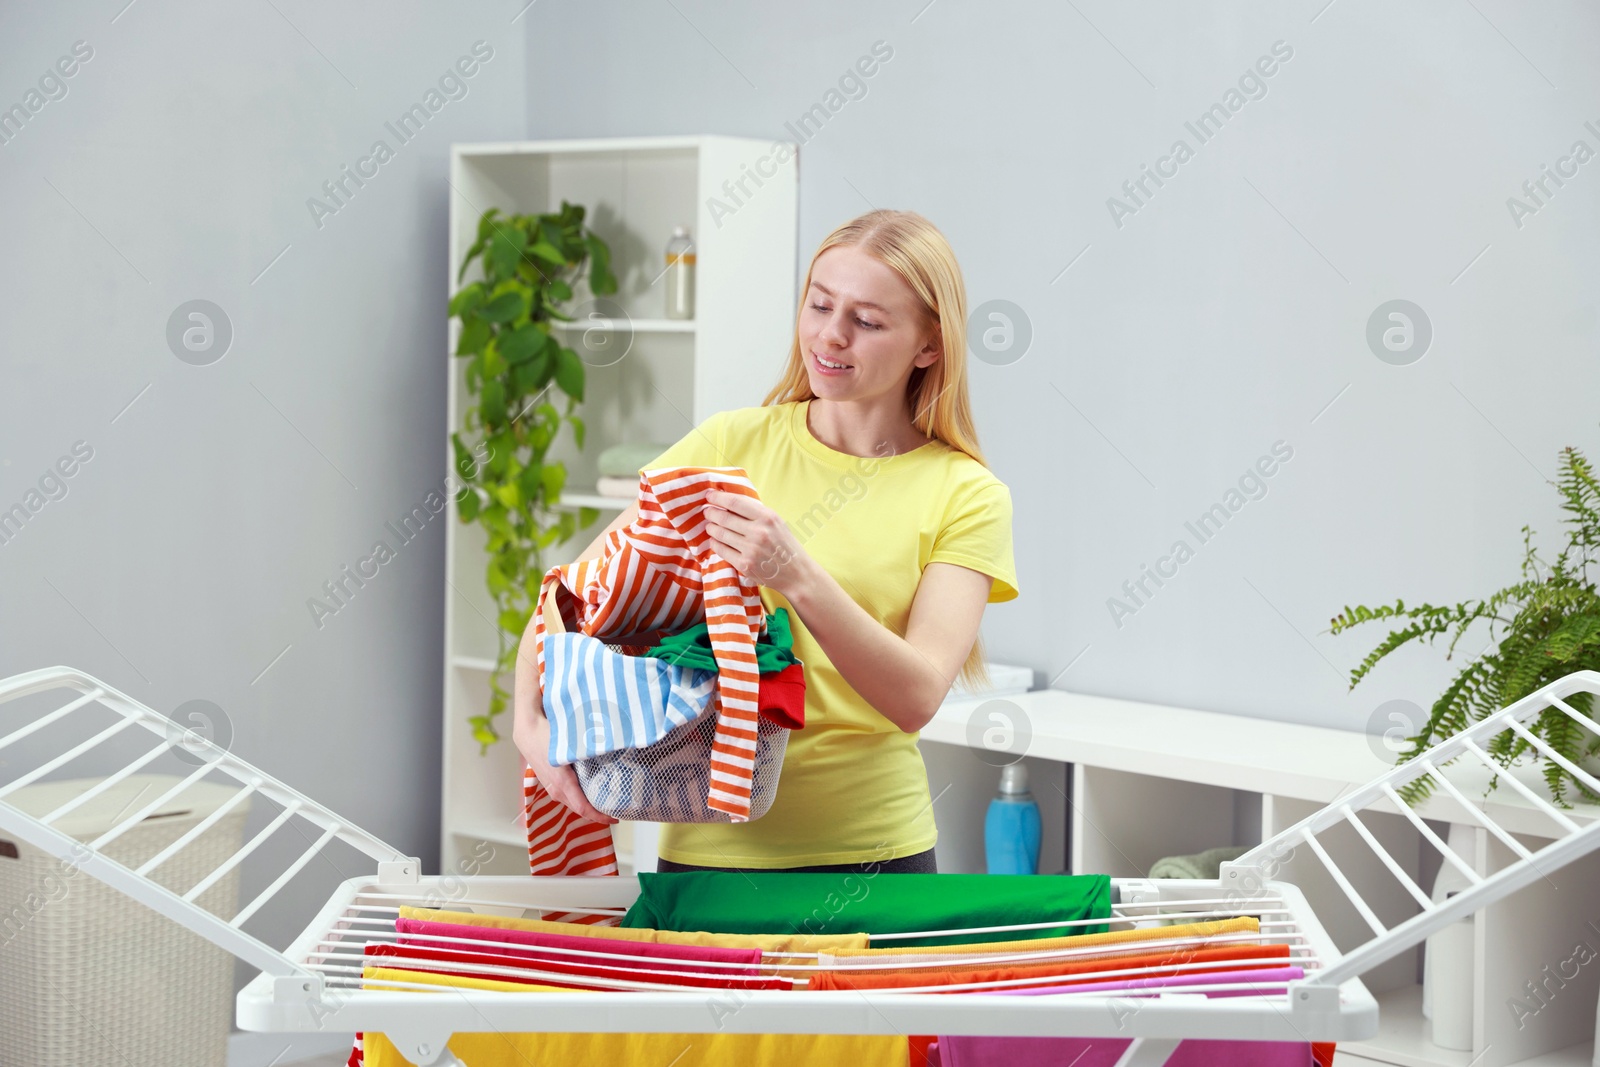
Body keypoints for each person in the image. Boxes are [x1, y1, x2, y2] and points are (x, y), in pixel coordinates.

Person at [511, 209, 1018, 876]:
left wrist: (795, 573)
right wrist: (530, 727)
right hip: (708, 853)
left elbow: (916, 694)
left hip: (872, 859)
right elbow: (573, 593)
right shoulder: (730, 444)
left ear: (929, 344)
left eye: (866, 321)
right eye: (819, 305)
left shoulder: (965, 493)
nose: (830, 336)